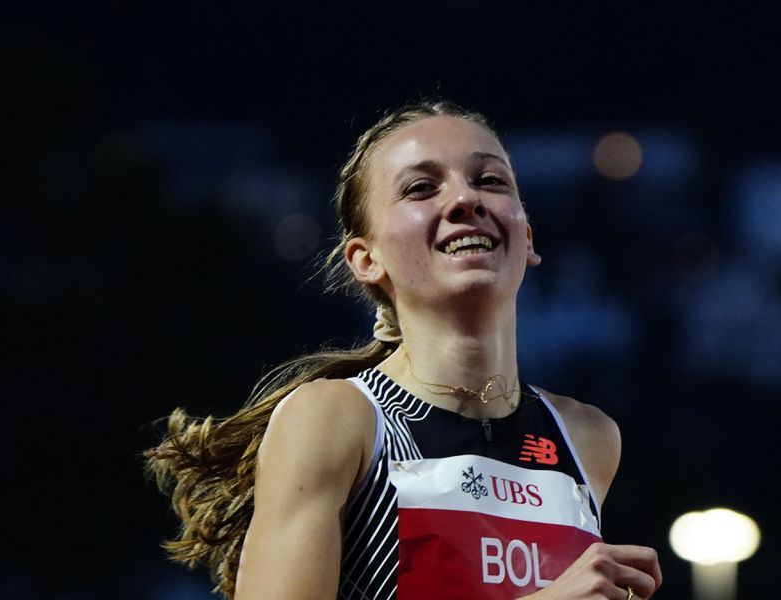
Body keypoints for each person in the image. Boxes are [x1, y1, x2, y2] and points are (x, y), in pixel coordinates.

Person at [146, 101, 662, 600]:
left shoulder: (587, 438)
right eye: (421, 188)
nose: (466, 200)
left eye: (490, 180)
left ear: (526, 237)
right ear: (365, 259)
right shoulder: (336, 419)